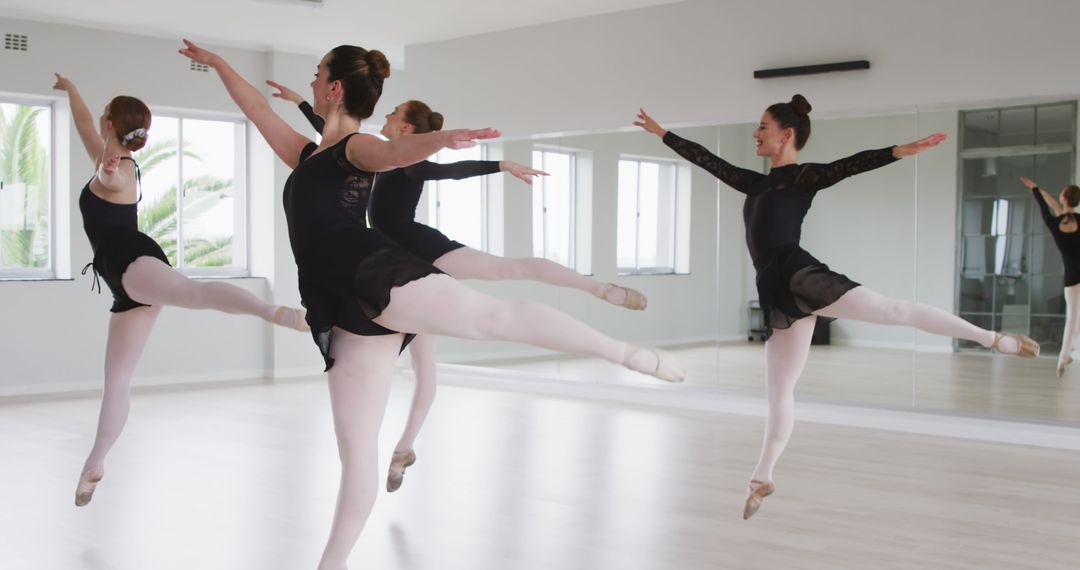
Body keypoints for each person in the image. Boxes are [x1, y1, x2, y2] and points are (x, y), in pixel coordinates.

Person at [182, 40, 683, 570]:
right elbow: (256, 109)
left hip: (373, 272)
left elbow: (396, 154)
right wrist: (217, 64)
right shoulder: (308, 156)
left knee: (494, 317)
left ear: (333, 88)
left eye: (316, 74)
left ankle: (627, 354)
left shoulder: (358, 147)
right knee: (355, 455)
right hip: (338, 305)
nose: (309, 83)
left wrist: (442, 140)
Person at [634, 95, 1038, 520]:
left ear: (786, 135)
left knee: (893, 311)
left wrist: (899, 151)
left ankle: (994, 339)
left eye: (763, 127)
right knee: (778, 392)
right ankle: (762, 478)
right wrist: (664, 134)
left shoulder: (804, 177)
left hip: (798, 274)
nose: (755, 133)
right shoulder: (753, 182)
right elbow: (708, 161)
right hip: (775, 290)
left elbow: (851, 164)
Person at [267, 81, 649, 492]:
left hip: (420, 254)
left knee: (508, 270)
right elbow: (330, 146)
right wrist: (304, 104)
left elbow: (447, 170)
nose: (389, 115)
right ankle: (404, 450)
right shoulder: (364, 151)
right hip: (386, 274)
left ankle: (598, 289)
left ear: (407, 129)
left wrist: (499, 166)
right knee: (423, 367)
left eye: (396, 112)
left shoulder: (406, 159)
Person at [52, 74, 308, 508]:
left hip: (131, 259)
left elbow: (113, 181)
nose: (94, 122)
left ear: (110, 123)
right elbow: (81, 122)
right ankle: (94, 463)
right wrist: (72, 86)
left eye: (100, 118)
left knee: (190, 293)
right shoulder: (105, 152)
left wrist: (107, 174)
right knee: (116, 380)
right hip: (124, 281)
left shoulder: (122, 168)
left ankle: (273, 313)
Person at [1021, 176, 1080, 377]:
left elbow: (1048, 208)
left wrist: (1037, 191)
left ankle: (1063, 355)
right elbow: (1057, 207)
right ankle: (1068, 351)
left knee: (1072, 317)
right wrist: (1038, 189)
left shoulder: (1054, 223)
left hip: (1072, 277)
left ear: (1064, 198)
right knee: (1076, 319)